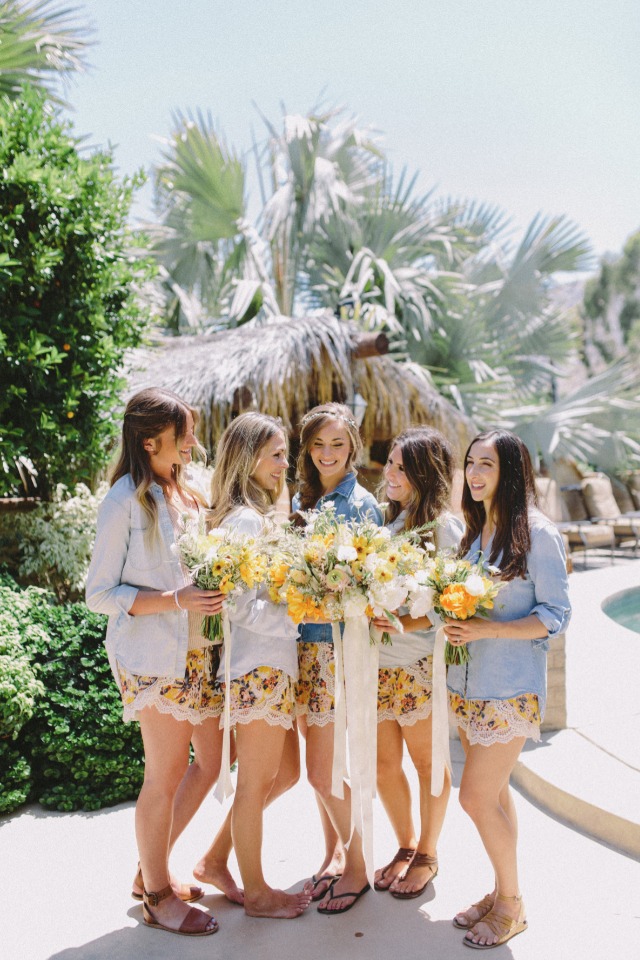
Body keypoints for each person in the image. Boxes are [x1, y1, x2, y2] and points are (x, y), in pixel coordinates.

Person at [86, 387, 233, 937]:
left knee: (213, 761)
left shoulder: (187, 495)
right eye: (184, 435)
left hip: (201, 652)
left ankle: (149, 868)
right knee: (165, 773)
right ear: (150, 442)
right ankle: (156, 894)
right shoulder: (123, 500)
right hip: (153, 658)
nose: (193, 443)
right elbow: (98, 594)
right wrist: (176, 600)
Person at [445, 430, 570, 949]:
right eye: (471, 463)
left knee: (473, 797)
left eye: (486, 466)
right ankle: (501, 892)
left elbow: (555, 616)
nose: (474, 474)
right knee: (493, 795)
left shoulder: (538, 535)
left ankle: (512, 905)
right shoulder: (478, 534)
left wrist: (487, 629)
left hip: (510, 689)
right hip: (470, 686)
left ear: (510, 473)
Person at [197, 412, 312, 919]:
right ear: (248, 457)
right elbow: (235, 603)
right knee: (255, 782)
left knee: (286, 774)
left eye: (286, 454)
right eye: (276, 454)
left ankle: (214, 860)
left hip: (271, 665)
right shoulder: (244, 519)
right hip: (256, 668)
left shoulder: (260, 514)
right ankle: (258, 893)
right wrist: (297, 614)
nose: (284, 465)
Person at [293, 402, 382, 914]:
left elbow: (370, 587)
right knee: (322, 764)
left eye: (338, 445)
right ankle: (335, 855)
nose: (328, 454)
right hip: (304, 645)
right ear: (307, 447)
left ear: (353, 448)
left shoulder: (361, 505)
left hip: (338, 649)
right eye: (319, 445)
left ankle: (358, 867)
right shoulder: (305, 498)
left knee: (323, 770)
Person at [371, 427, 463, 899]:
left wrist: (406, 623)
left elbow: (456, 599)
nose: (390, 472)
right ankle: (405, 845)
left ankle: (428, 852)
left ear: (424, 474)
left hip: (418, 666)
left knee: (428, 763)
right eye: (389, 462)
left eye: (401, 467)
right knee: (384, 765)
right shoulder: (389, 523)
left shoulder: (445, 528)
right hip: (378, 666)